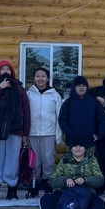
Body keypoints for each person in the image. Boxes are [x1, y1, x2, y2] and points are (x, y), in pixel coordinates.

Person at [34, 135, 104, 209]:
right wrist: (65, 179)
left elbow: (100, 179)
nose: (78, 148)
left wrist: (86, 179)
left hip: (86, 193)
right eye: (75, 146)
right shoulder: (64, 159)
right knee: (46, 201)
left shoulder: (91, 160)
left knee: (98, 204)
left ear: (85, 148)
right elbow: (53, 180)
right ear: (70, 148)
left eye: (81, 146)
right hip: (66, 192)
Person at [0, 60, 31, 200]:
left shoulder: (19, 88)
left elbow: (26, 111)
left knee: (12, 160)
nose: (5, 71)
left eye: (8, 69)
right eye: (2, 69)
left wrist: (25, 133)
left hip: (14, 129)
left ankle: (12, 189)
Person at [26, 67, 63, 197]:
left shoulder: (54, 95)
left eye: (43, 76)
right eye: (37, 76)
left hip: (49, 132)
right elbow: (25, 114)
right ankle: (34, 184)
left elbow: (59, 115)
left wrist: (58, 135)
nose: (40, 79)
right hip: (33, 132)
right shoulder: (29, 94)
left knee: (48, 159)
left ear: (47, 78)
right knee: (34, 160)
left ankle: (47, 183)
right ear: (34, 78)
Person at [58, 75, 105, 152]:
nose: (81, 87)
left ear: (87, 87)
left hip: (89, 143)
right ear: (74, 88)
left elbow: (102, 119)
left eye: (84, 85)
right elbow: (62, 119)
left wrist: (99, 135)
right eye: (78, 86)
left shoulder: (94, 102)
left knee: (89, 164)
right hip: (72, 143)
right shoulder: (68, 103)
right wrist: (69, 133)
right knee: (71, 164)